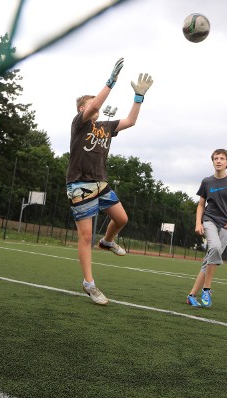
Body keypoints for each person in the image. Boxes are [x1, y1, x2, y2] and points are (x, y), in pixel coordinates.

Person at [66, 57, 153, 305]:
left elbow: (131, 121)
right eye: (90, 104)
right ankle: (89, 284)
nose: (94, 106)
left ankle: (107, 242)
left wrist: (139, 97)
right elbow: (93, 107)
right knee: (85, 237)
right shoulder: (79, 124)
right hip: (80, 185)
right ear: (82, 110)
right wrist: (110, 81)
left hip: (100, 183)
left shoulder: (104, 126)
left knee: (122, 218)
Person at [187, 148, 227, 308]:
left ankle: (191, 295)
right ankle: (207, 289)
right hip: (209, 220)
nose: (218, 161)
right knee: (215, 247)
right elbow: (200, 205)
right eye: (216, 158)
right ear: (212, 162)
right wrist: (198, 223)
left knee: (209, 260)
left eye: (222, 158)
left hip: (226, 224)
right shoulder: (207, 182)